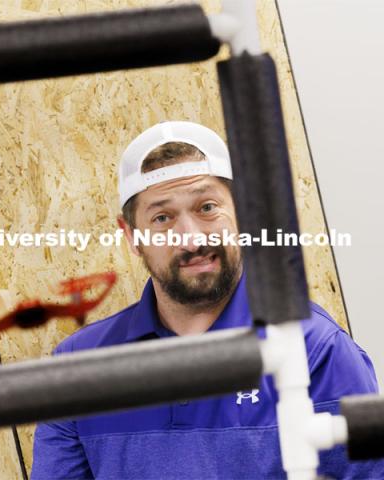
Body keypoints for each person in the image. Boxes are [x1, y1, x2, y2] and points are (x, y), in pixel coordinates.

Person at [32, 121, 383, 479]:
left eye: (207, 207)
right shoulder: (77, 368)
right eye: (162, 218)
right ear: (132, 236)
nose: (191, 238)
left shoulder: (316, 349)